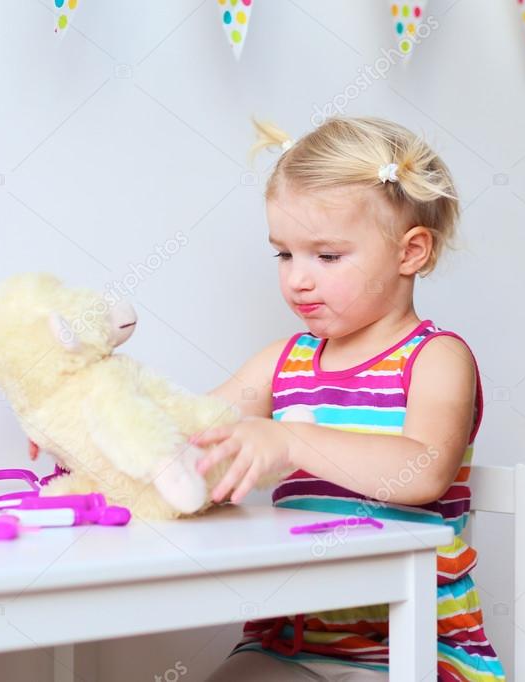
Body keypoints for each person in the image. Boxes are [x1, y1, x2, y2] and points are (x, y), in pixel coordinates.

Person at [195, 116, 506, 681]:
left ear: (410, 252)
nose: (297, 280)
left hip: (413, 649)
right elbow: (192, 429)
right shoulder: (282, 361)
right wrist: (94, 419)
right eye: (284, 255)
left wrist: (288, 438)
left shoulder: (435, 358)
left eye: (327, 256)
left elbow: (422, 471)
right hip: (290, 641)